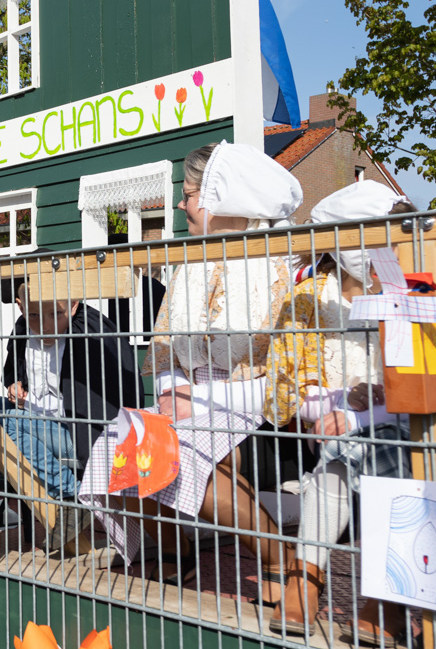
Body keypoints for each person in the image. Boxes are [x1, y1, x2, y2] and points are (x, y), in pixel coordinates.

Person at [78, 141, 303, 604]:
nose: (181, 204)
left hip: (253, 411)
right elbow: (164, 346)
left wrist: (195, 402)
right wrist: (172, 389)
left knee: (182, 464)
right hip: (188, 406)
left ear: (225, 198)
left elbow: (284, 369)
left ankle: (281, 558)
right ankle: (174, 550)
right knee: (112, 452)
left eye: (191, 193)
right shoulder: (187, 260)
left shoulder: (274, 263)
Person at [265, 180, 414, 641]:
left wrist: (368, 409)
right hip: (336, 433)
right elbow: (289, 391)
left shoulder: (408, 293)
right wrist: (341, 405)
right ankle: (360, 593)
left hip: (403, 430)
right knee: (342, 449)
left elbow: (421, 388)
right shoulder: (307, 299)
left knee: (358, 448)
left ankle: (310, 578)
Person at [0, 279, 140, 549]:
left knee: (3, 422)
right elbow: (13, 369)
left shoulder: (90, 332)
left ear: (74, 305)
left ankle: (70, 495)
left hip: (79, 435)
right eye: (34, 315)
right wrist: (15, 383)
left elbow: (113, 392)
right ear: (21, 307)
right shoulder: (22, 331)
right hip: (37, 424)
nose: (46, 325)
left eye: (56, 314)